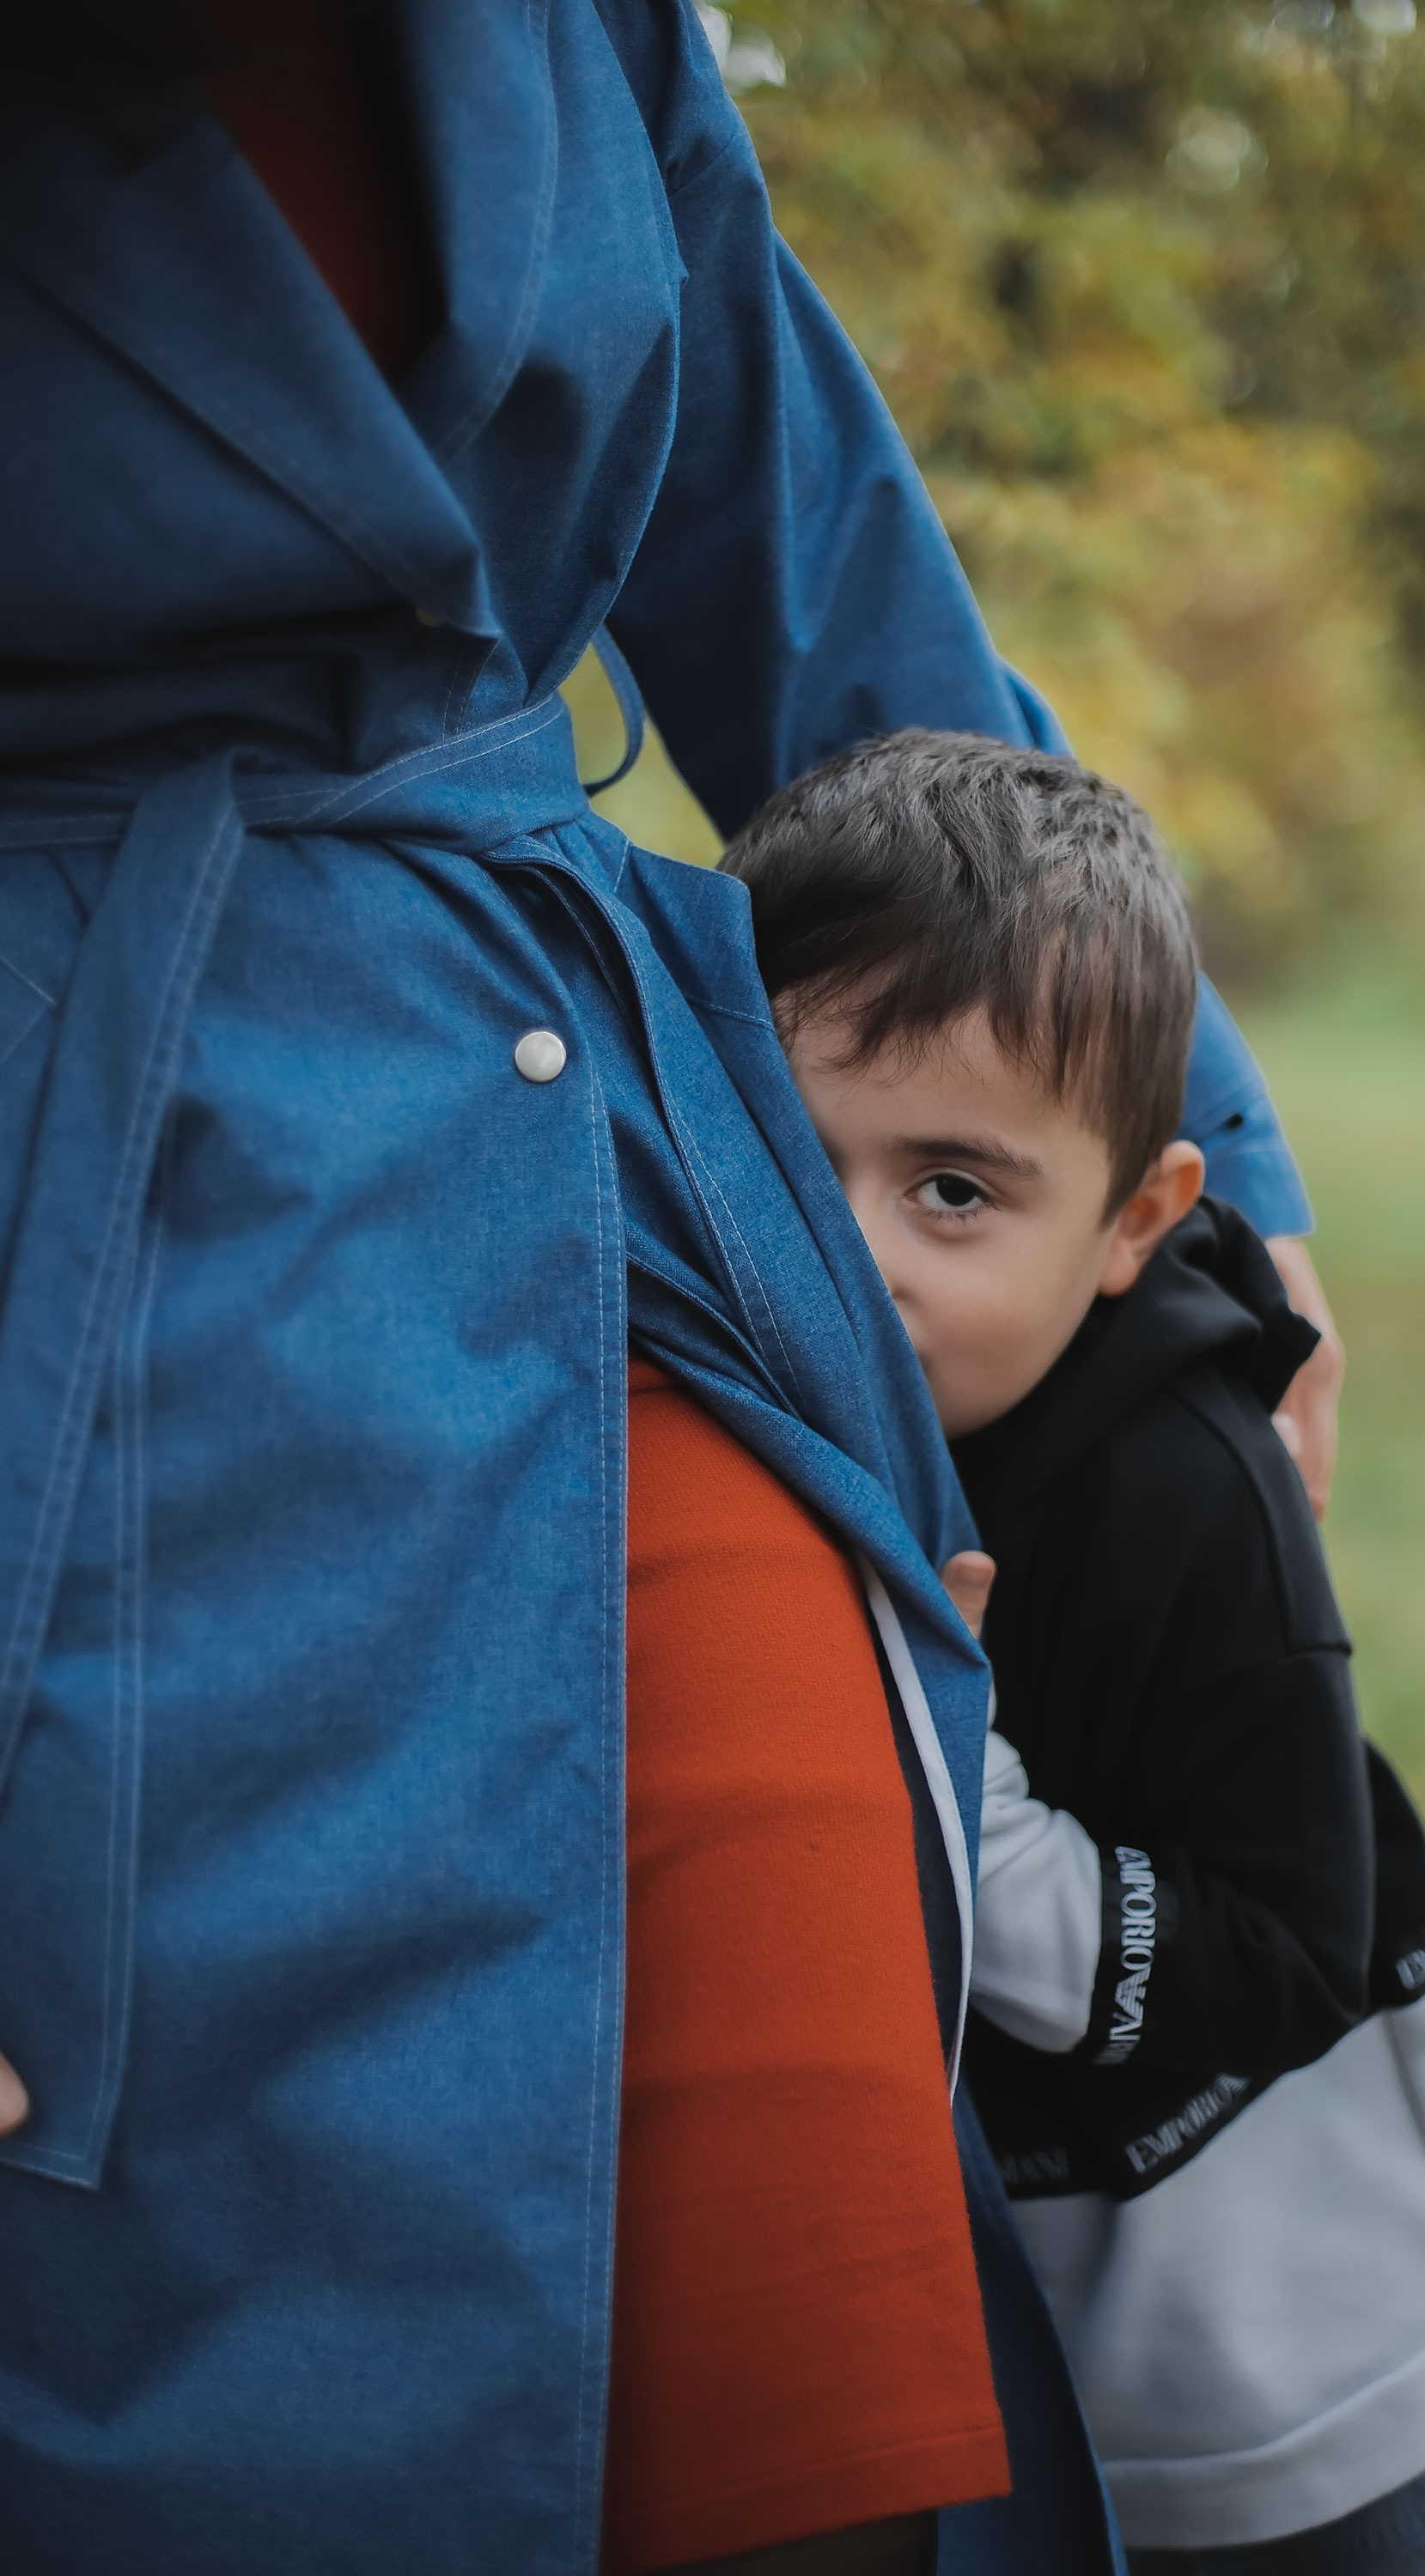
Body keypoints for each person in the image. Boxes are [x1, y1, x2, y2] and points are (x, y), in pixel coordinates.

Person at [0, 5, 1325, 2568]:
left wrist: (1208, 1167)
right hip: (75, 1292)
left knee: (805, 2353)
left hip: (590, 1186)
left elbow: (795, 535)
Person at [722, 728, 1425, 2576]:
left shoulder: (1187, 1493)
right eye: (803, 1173)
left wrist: (953, 1804)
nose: (862, 1259)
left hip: (1305, 2351)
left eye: (954, 1191)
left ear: (1133, 1217)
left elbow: (1282, 1946)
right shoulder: (743, 1424)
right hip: (1009, 2347)